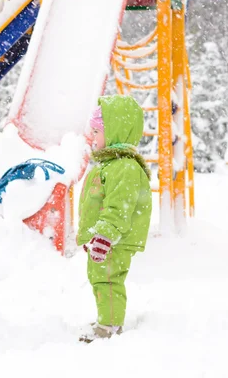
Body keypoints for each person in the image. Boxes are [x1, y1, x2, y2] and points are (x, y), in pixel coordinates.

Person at [77, 95, 152, 341]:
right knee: (100, 279)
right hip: (107, 239)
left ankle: (109, 326)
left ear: (116, 131)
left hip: (113, 240)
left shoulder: (125, 168)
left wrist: (105, 236)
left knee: (107, 280)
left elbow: (119, 208)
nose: (93, 137)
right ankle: (107, 320)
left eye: (98, 131)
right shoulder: (112, 165)